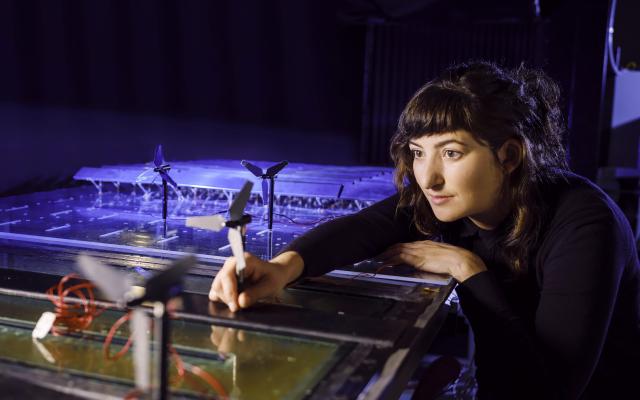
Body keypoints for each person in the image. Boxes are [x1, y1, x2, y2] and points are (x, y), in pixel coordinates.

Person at [209, 61, 640, 399]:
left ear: (509, 156)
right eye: (418, 153)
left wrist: (467, 270)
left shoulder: (585, 224)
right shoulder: (448, 196)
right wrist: (282, 268)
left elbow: (547, 390)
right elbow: (368, 226)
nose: (428, 178)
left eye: (451, 153)